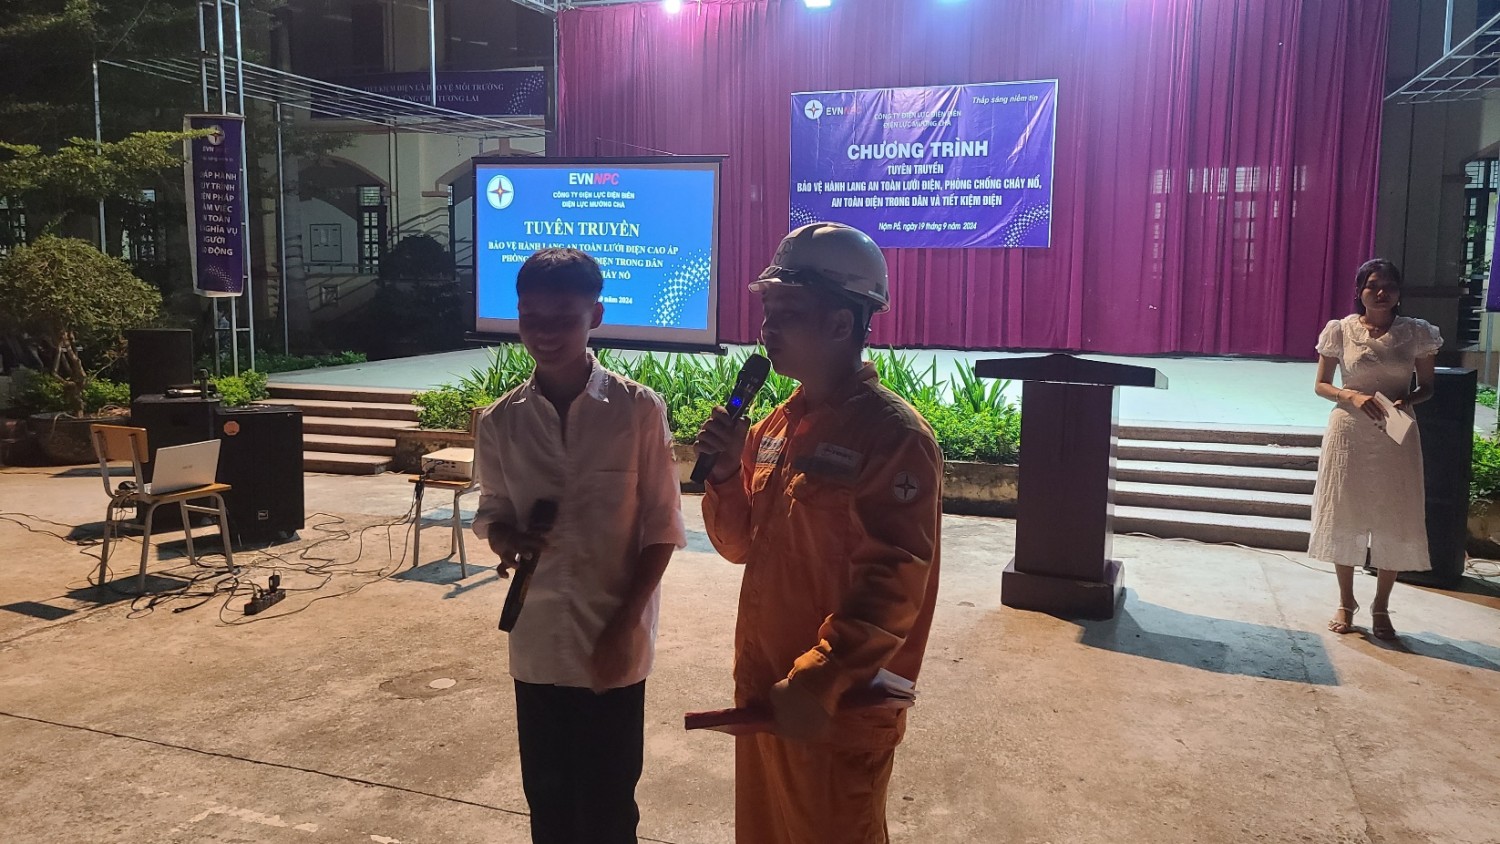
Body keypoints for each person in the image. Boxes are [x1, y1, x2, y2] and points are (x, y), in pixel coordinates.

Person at [695, 222, 943, 843]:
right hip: (767, 694)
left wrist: (819, 677)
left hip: (832, 709)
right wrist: (723, 474)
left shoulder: (893, 437)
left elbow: (895, 579)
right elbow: (738, 546)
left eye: (788, 313)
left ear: (840, 324)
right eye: (767, 312)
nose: (767, 329)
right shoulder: (775, 428)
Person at [471, 248, 686, 844]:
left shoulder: (637, 410)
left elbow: (662, 527)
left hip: (611, 640)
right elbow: (493, 512)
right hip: (537, 642)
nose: (544, 332)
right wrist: (507, 539)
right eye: (530, 316)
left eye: (562, 317)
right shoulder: (501, 422)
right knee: (548, 804)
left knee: (610, 805)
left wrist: (624, 626)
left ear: (595, 315)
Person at [1310, 258, 1441, 641]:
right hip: (1348, 430)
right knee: (1345, 510)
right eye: (1373, 285)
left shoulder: (1416, 332)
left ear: (1399, 292)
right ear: (1359, 291)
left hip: (1395, 430)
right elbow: (1321, 384)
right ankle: (1345, 601)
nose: (1381, 292)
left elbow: (1427, 386)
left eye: (1389, 286)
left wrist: (1409, 400)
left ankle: (1381, 604)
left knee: (1394, 513)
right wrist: (1349, 395)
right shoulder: (1340, 330)